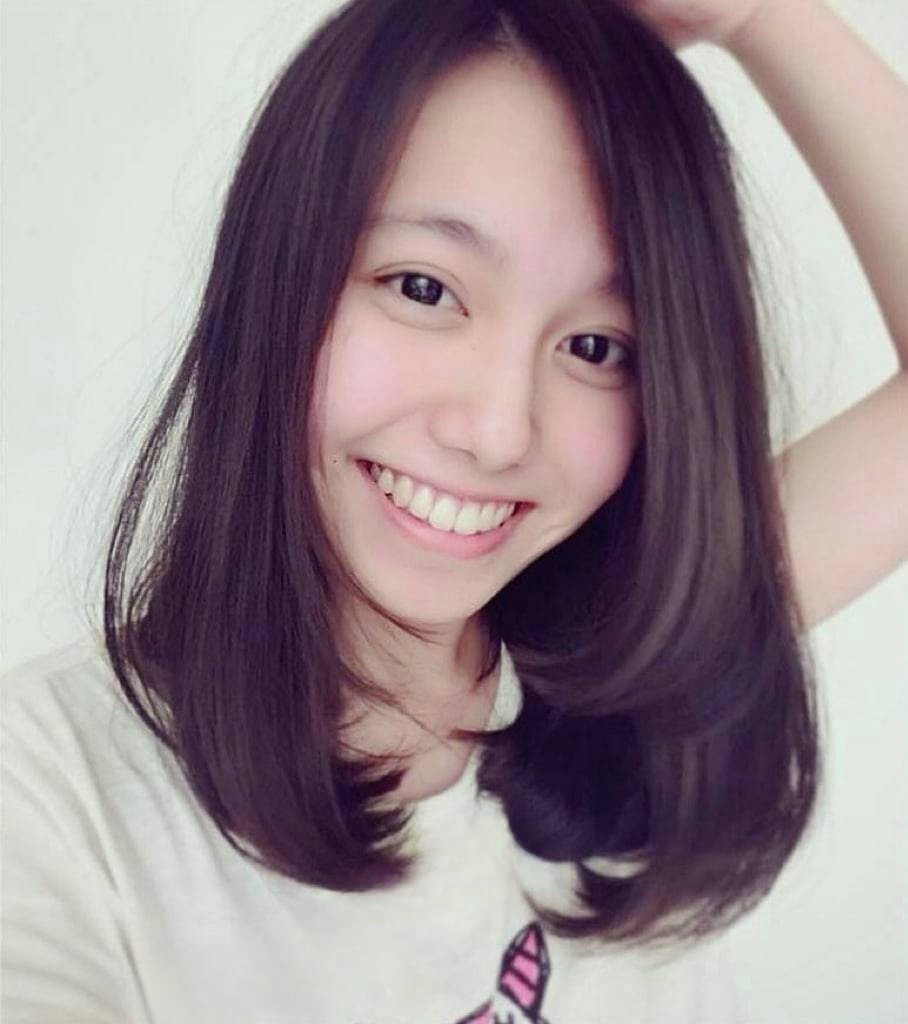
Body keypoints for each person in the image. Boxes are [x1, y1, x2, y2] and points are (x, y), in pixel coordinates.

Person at [2, 0, 906, 1020]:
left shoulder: (631, 666)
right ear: (274, 277)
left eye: (596, 346)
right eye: (424, 288)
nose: (497, 430)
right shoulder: (51, 798)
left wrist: (759, 19)